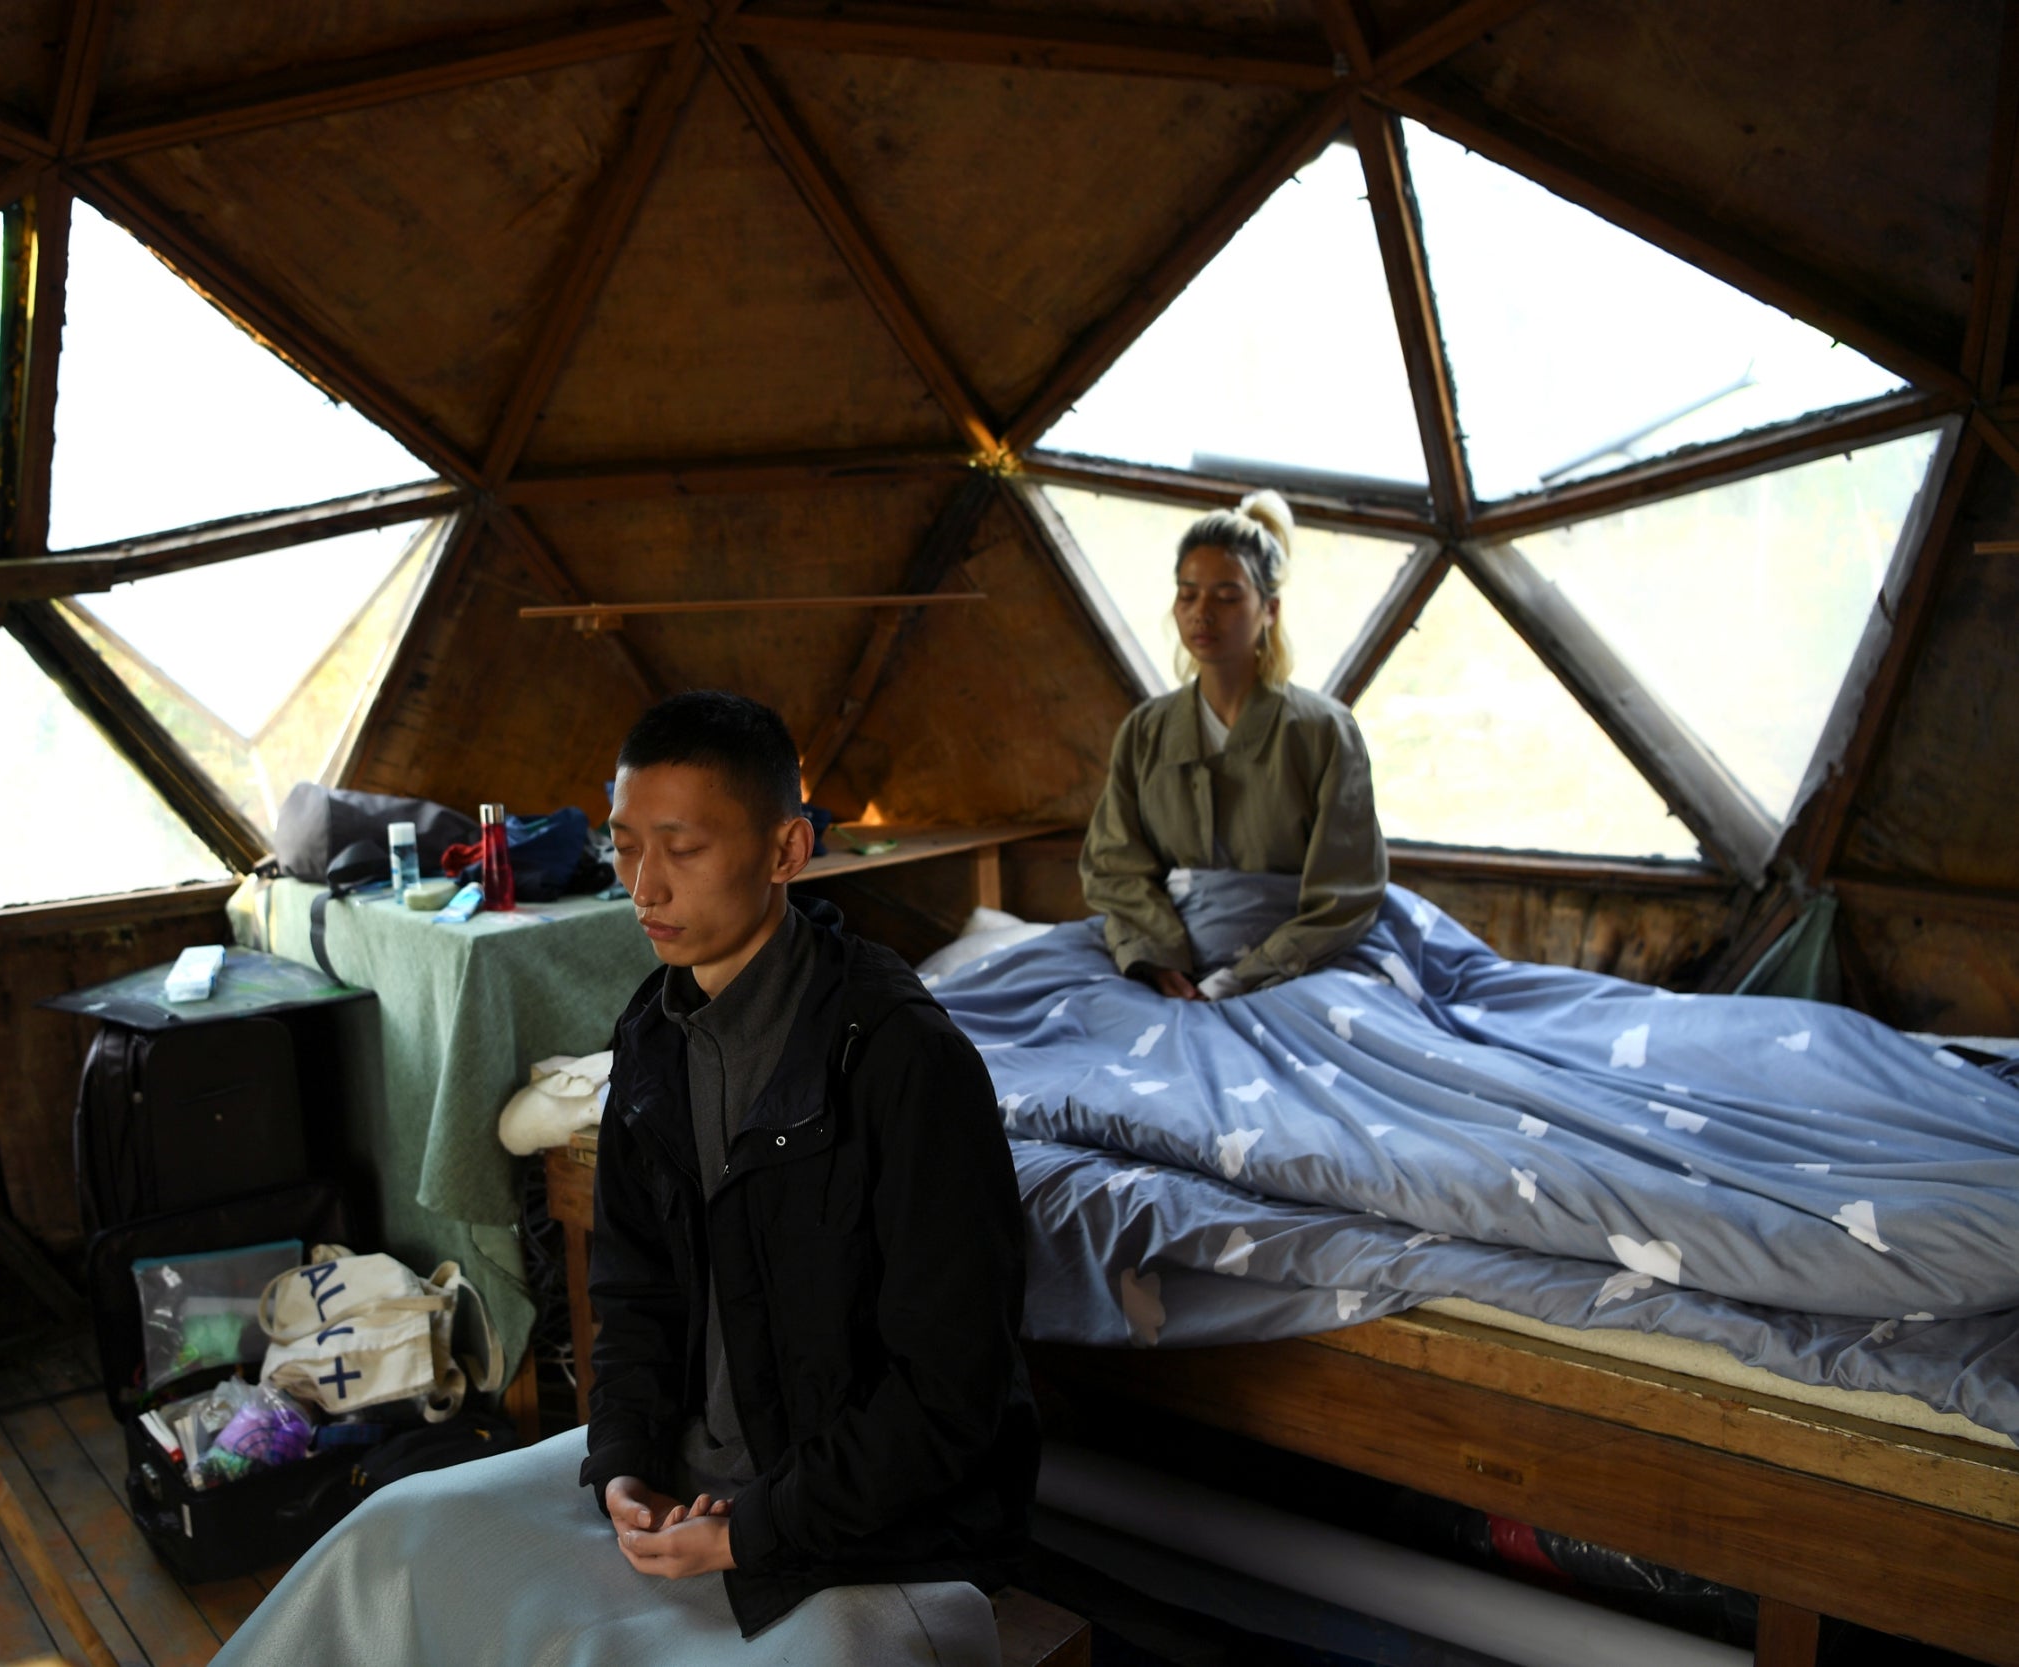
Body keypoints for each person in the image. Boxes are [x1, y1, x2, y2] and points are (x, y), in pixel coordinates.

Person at [211, 691, 1033, 1666]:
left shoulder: (900, 1060)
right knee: (387, 1534)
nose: (643, 886)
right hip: (686, 1472)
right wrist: (625, 1462)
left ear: (784, 851)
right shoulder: (652, 1031)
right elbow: (634, 1291)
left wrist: (748, 1528)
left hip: (860, 1515)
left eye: (681, 849)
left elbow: (949, 1392)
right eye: (624, 844)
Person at [1080, 490, 1388, 1000]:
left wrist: (1247, 973)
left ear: (1269, 609)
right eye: (1187, 595)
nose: (1202, 613)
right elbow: (1115, 866)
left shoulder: (1324, 731)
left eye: (1226, 597)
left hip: (1301, 966)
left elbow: (1346, 891)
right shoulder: (1145, 731)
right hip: (1159, 967)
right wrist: (1158, 960)